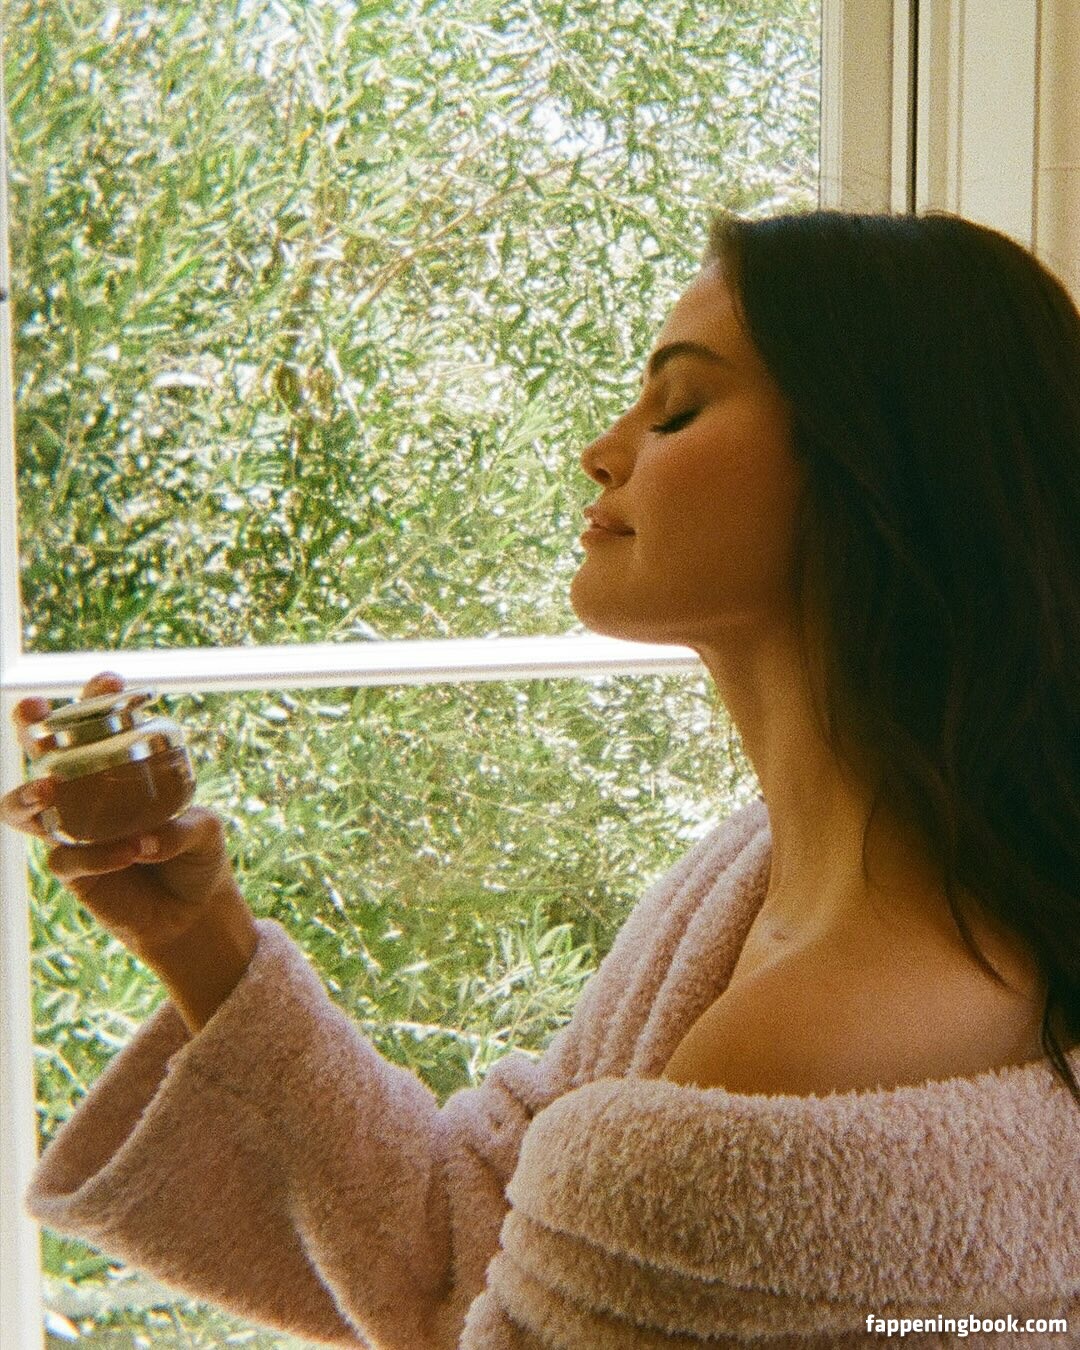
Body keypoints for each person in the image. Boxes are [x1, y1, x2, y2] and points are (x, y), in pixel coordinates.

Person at [4, 207, 1078, 1348]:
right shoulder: (756, 877)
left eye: (679, 407)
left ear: (879, 470)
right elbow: (478, 1241)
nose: (603, 450)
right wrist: (197, 936)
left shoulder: (795, 1058)